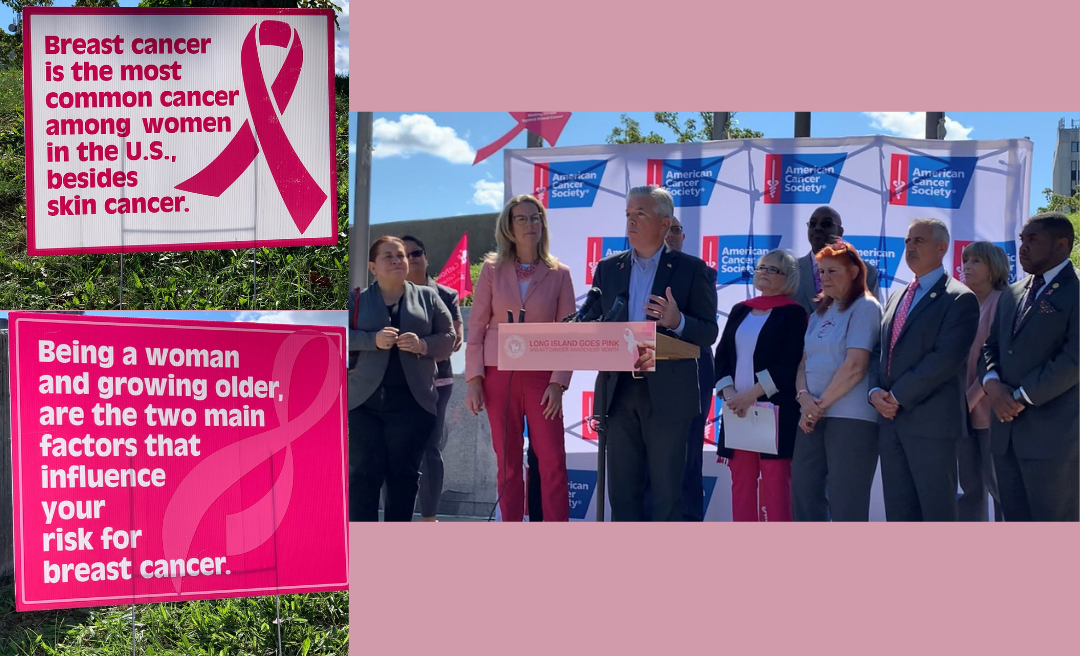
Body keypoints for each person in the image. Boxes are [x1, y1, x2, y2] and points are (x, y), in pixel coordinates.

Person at [591, 185, 718, 521]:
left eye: (641, 214)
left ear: (665, 223)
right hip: (618, 392)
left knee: (667, 495)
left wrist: (677, 321)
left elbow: (708, 331)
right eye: (628, 215)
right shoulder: (608, 268)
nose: (631, 221)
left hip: (668, 395)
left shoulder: (692, 269)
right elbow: (594, 318)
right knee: (623, 493)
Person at [464, 194, 576, 522]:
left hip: (543, 379)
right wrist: (474, 381)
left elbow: (567, 331)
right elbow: (477, 326)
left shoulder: (560, 273)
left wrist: (559, 383)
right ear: (509, 227)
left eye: (535, 218)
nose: (530, 224)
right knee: (508, 463)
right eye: (522, 218)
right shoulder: (491, 270)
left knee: (553, 461)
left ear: (543, 225)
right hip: (499, 375)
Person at [870, 218, 979, 522]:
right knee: (899, 511)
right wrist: (874, 391)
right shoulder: (897, 296)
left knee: (936, 511)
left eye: (918, 241)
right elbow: (880, 351)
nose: (910, 247)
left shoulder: (959, 298)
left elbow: (945, 359)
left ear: (942, 247)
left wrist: (897, 396)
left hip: (931, 425)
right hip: (891, 424)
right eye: (907, 241)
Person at [980, 213, 1078, 522]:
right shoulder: (1012, 293)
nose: (1023, 247)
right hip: (1006, 436)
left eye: (1033, 240)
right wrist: (993, 386)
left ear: (1062, 245)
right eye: (1022, 240)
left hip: (1053, 439)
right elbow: (990, 347)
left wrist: (1020, 397)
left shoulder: (1075, 291)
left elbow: (1073, 360)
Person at [349, 236, 455, 522]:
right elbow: (337, 337)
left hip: (412, 405)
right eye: (388, 256)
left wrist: (423, 345)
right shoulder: (356, 300)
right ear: (373, 267)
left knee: (404, 478)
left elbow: (449, 338)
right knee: (362, 478)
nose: (397, 260)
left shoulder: (428, 298)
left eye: (401, 256)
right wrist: (373, 340)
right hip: (362, 406)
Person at [791, 241, 882, 521]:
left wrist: (818, 406)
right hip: (811, 416)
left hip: (850, 419)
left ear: (854, 272)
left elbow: (855, 366)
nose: (824, 278)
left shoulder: (866, 307)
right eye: (821, 272)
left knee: (847, 502)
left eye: (832, 271)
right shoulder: (820, 312)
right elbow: (804, 362)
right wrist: (804, 398)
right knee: (804, 493)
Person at [714, 249, 806, 522]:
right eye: (760, 267)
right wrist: (731, 395)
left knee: (776, 484)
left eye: (771, 269)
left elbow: (788, 364)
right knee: (741, 483)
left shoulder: (794, 314)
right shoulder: (739, 310)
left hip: (775, 412)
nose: (762, 272)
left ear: (787, 278)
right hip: (737, 410)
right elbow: (723, 356)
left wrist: (751, 395)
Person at [401, 235, 463, 522]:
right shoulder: (388, 296)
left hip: (437, 384)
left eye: (416, 253)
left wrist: (417, 349)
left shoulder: (446, 295)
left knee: (429, 447)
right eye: (403, 254)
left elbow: (453, 342)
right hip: (398, 383)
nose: (410, 259)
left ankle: (429, 519)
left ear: (426, 257)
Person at [959, 241, 1008, 522]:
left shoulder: (1003, 302)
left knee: (1001, 489)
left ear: (994, 268)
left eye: (976, 261)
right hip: (963, 414)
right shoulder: (964, 305)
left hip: (991, 414)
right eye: (966, 260)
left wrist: (969, 400)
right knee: (970, 490)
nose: (967, 266)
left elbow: (995, 360)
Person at [792, 206, 880, 314]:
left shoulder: (865, 271)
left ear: (840, 232)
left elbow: (868, 315)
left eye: (826, 224)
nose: (818, 228)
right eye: (813, 224)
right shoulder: (789, 269)